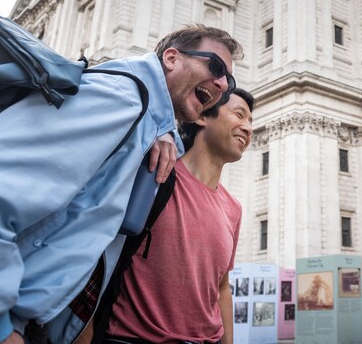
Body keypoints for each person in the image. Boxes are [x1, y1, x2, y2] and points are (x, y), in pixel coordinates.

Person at [0, 24, 241, 343]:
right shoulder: (120, 100)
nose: (222, 84)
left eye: (228, 83)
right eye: (214, 66)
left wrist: (162, 129)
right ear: (171, 58)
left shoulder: (140, 112)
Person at [100, 88, 253, 344]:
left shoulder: (233, 208)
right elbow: (102, 253)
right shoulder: (154, 176)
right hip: (133, 338)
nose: (248, 128)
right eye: (239, 115)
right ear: (203, 116)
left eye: (251, 121)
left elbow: (222, 287)